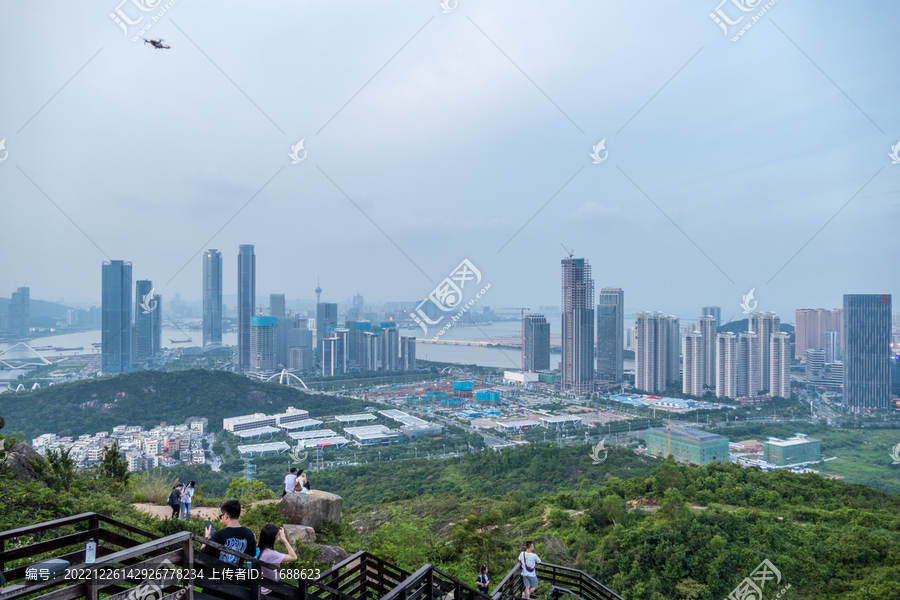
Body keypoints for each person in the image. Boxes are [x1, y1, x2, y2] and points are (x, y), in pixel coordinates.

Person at [201, 500, 257, 567]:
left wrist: (207, 537)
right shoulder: (249, 534)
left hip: (217, 575)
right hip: (236, 575)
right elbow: (252, 556)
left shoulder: (219, 535)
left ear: (226, 516)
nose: (221, 519)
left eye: (220, 516)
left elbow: (202, 555)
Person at [257, 524, 298, 595]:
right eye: (277, 535)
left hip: (260, 587)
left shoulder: (257, 550)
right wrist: (284, 539)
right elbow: (293, 557)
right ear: (273, 537)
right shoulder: (270, 554)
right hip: (270, 590)